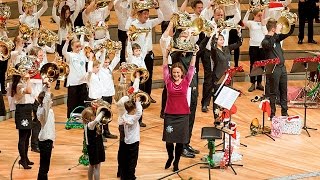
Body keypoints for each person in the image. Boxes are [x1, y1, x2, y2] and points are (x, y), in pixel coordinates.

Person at [162, 42, 197, 171]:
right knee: (169, 140)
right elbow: (165, 66)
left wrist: (194, 54)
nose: (176, 74)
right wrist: (165, 55)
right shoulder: (168, 81)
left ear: (182, 73)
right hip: (170, 115)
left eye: (178, 72)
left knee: (180, 142)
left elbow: (192, 67)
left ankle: (176, 162)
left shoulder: (187, 81)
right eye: (174, 72)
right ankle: (170, 157)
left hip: (183, 116)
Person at [125, 2, 164, 105]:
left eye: (147, 13)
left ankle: (147, 96)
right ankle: (135, 95)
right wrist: (131, 15)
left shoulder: (150, 23)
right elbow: (126, 28)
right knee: (136, 76)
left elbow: (161, 18)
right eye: (144, 14)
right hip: (137, 56)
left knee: (148, 75)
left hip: (148, 54)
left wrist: (157, 7)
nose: (147, 16)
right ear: (139, 14)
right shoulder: (133, 24)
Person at [261, 18, 295, 119]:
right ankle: (272, 114)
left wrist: (292, 23)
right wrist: (276, 33)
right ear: (273, 29)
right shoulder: (265, 41)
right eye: (276, 28)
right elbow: (270, 43)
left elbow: (288, 33)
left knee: (283, 90)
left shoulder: (276, 38)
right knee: (273, 92)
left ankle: (284, 112)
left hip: (282, 68)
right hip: (273, 69)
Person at [52, 0, 81, 90]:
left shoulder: (71, 19)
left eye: (68, 13)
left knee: (67, 61)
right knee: (59, 62)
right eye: (66, 13)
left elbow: (77, 10)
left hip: (68, 43)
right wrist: (54, 5)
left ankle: (66, 80)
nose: (67, 15)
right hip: (61, 43)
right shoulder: (59, 20)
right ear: (63, 13)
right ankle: (57, 82)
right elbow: (53, 14)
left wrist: (76, 2)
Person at [11, 70, 33, 169]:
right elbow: (29, 91)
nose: (25, 72)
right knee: (23, 137)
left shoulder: (21, 83)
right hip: (22, 110)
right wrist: (28, 79)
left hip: (27, 109)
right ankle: (22, 160)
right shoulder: (19, 85)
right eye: (23, 71)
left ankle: (25, 158)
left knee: (28, 135)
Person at [62, 37, 88, 119]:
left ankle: (80, 119)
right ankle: (70, 120)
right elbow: (63, 52)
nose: (78, 48)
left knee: (82, 102)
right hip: (73, 82)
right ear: (72, 46)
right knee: (72, 102)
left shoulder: (82, 53)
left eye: (79, 46)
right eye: (76, 46)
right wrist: (67, 42)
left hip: (83, 82)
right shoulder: (70, 55)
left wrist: (90, 39)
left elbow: (91, 50)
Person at [243, 8, 267, 92]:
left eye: (261, 15)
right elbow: (244, 22)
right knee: (253, 65)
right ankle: (253, 83)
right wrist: (248, 11)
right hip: (253, 46)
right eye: (258, 15)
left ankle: (259, 82)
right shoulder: (251, 23)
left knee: (261, 65)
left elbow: (266, 32)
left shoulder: (264, 23)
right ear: (254, 16)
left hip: (262, 47)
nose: (260, 17)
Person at [118, 96, 143, 180]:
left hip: (126, 141)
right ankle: (130, 177)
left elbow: (137, 112)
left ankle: (124, 176)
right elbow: (139, 112)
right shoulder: (134, 118)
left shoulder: (124, 116)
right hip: (134, 142)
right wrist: (138, 102)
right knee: (133, 161)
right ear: (133, 109)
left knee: (126, 159)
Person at [37, 80, 55, 180]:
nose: (52, 101)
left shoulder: (45, 110)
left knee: (45, 167)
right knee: (44, 168)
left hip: (48, 141)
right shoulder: (43, 113)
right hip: (45, 142)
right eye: (50, 100)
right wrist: (48, 90)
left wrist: (45, 87)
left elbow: (42, 98)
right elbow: (45, 102)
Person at [81, 107, 106, 180]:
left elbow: (101, 130)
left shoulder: (92, 125)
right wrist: (103, 112)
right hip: (94, 148)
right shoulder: (90, 125)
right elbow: (96, 120)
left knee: (92, 165)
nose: (95, 116)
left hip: (97, 146)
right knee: (96, 167)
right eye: (93, 115)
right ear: (89, 117)